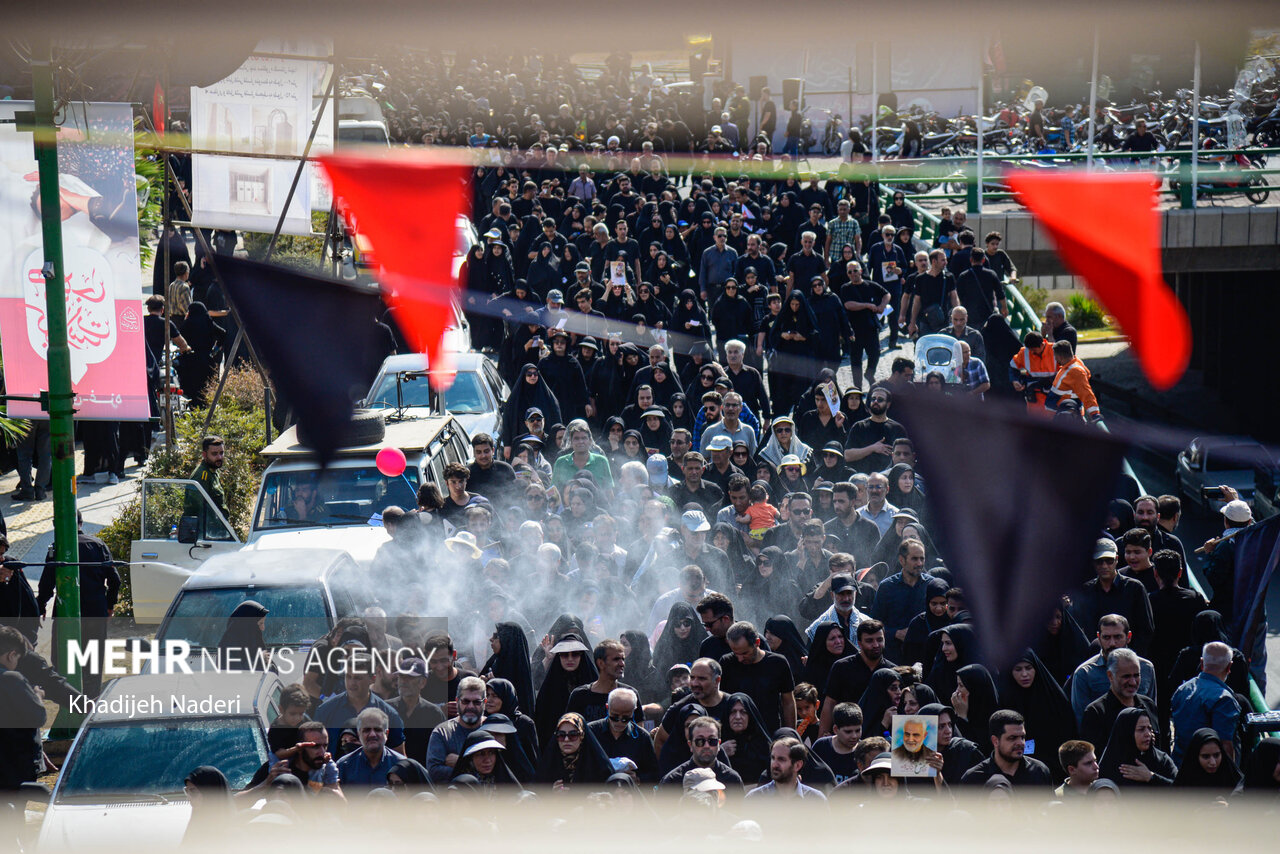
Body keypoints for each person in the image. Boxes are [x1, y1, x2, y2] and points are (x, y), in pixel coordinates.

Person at [36, 510, 118, 697]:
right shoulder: (98, 545)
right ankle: (91, 701)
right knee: (93, 662)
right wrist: (109, 605)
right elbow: (115, 580)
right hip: (95, 612)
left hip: (66, 613)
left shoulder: (56, 548)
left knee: (63, 660)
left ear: (56, 525)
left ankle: (69, 701)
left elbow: (47, 583)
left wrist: (40, 605)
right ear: (81, 523)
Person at [1169, 641, 1241, 765]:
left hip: (1180, 767)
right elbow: (1225, 744)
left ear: (1202, 663)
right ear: (1229, 667)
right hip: (1209, 774)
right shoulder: (1224, 700)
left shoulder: (1182, 690)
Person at [1080, 648, 1161, 754]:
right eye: (1126, 676)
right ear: (1110, 676)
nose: (1132, 682)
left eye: (1136, 675)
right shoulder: (1096, 713)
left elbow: (1160, 752)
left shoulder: (1149, 706)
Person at [720, 621, 796, 733]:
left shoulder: (778, 663)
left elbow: (788, 701)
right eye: (736, 654)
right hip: (736, 734)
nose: (740, 659)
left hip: (768, 731)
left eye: (745, 653)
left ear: (757, 642)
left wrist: (790, 734)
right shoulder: (727, 662)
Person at [960, 710, 1054, 789]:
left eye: (1022, 737)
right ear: (995, 741)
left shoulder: (1039, 772)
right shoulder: (973, 779)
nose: (1020, 743)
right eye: (1012, 738)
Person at [0, 626, 45, 791]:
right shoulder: (12, 679)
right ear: (11, 655)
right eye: (17, 659)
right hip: (14, 765)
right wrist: (38, 696)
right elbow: (38, 717)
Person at [425, 675, 489, 783]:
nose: (471, 707)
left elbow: (500, 769)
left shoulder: (493, 729)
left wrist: (461, 762)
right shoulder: (442, 732)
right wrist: (480, 768)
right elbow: (434, 772)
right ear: (457, 701)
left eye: (477, 702)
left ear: (485, 702)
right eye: (465, 701)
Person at [588, 687, 659, 782]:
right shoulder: (591, 732)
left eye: (626, 718)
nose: (620, 722)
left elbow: (654, 773)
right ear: (607, 707)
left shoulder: (642, 737)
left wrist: (637, 778)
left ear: (634, 711)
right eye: (614, 717)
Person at [659, 715, 744, 792]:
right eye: (700, 741)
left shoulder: (732, 780)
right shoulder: (672, 781)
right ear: (690, 745)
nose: (706, 746)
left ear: (719, 744)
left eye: (712, 741)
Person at [1096, 707, 1177, 788]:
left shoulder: (1162, 760)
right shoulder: (1111, 765)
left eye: (1149, 728)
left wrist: (1151, 777)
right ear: (1127, 733)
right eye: (1141, 729)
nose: (1148, 734)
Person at [843, 388, 908, 476]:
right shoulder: (859, 427)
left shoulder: (897, 429)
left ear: (888, 404)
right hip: (862, 480)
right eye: (873, 399)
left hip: (889, 479)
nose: (876, 401)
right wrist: (872, 448)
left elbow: (905, 458)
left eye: (880, 399)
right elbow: (847, 455)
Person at [336, 707, 406, 787]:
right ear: (359, 734)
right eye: (367, 730)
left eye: (377, 730)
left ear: (386, 733)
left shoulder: (401, 765)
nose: (372, 734)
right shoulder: (343, 766)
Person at [745, 736, 828, 801]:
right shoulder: (755, 799)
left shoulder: (816, 801)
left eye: (781, 759)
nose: (774, 765)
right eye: (773, 758)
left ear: (797, 765)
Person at [1173, 728, 1242, 794]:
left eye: (1216, 755)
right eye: (1206, 757)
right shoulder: (1184, 784)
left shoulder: (1233, 779)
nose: (1213, 762)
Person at [1046, 340, 1101, 421]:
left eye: (1055, 356)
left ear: (1060, 357)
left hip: (1066, 418)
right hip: (1061, 415)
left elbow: (1086, 393)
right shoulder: (1071, 364)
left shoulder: (1075, 372)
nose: (1054, 358)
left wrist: (1094, 413)